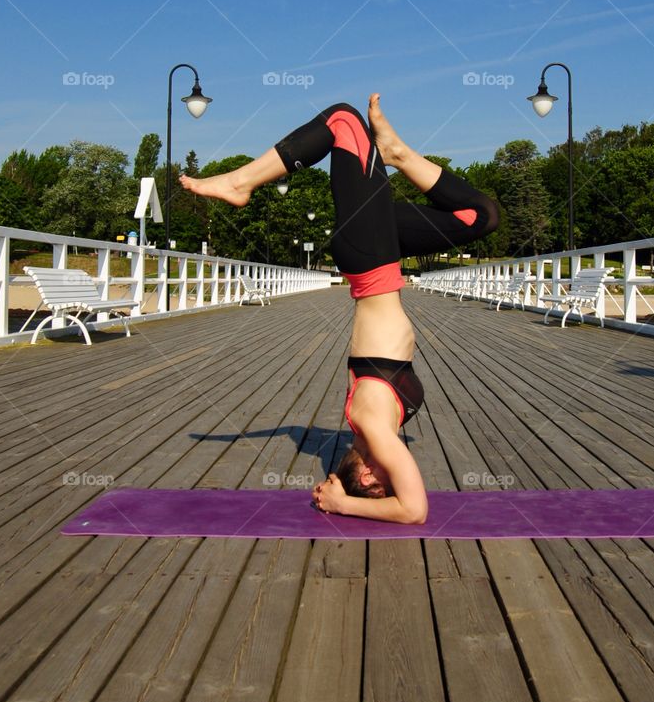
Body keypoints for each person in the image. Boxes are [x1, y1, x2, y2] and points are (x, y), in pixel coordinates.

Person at [180, 94, 500, 525]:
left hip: (370, 259)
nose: (382, 477)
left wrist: (343, 502)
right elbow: (409, 505)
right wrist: (351, 499)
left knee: (344, 120)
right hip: (382, 251)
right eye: (383, 486)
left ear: (362, 471)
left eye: (372, 484)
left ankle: (241, 183)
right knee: (479, 216)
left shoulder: (371, 427)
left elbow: (415, 511)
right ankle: (398, 154)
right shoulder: (380, 430)